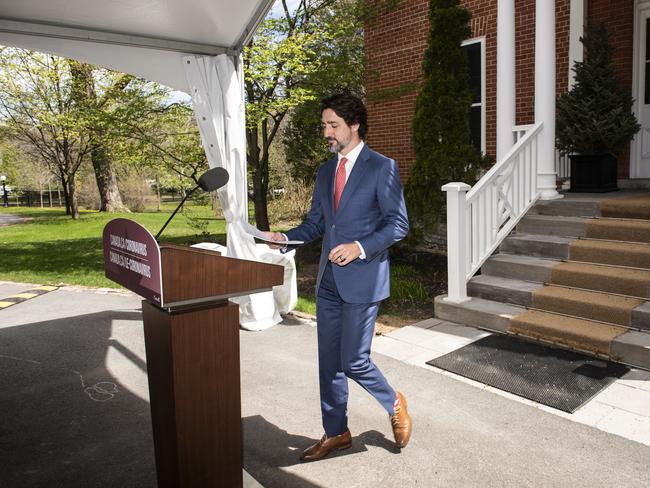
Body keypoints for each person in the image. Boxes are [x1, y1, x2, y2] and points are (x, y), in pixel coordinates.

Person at [264, 93, 411, 462]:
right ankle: (336, 432)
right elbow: (317, 222)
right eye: (324, 125)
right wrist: (286, 237)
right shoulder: (326, 171)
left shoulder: (382, 167)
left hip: (363, 278)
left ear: (354, 125)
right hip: (329, 281)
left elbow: (398, 224)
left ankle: (393, 401)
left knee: (354, 360)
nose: (326, 132)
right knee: (329, 363)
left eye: (333, 125)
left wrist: (359, 246)